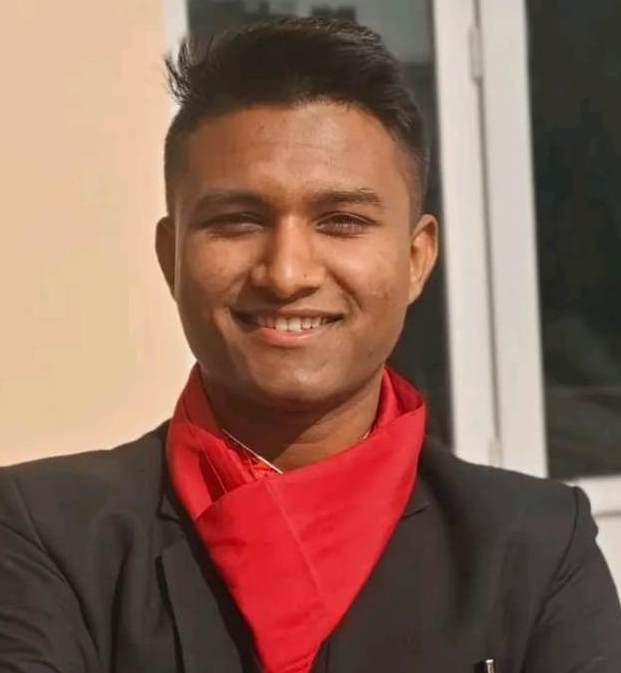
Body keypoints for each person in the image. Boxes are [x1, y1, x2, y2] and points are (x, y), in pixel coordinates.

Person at [1, 16, 620, 673]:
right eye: (237, 221)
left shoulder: (532, 547)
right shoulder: (49, 534)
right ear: (169, 255)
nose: (287, 273)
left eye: (341, 221)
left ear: (415, 258)